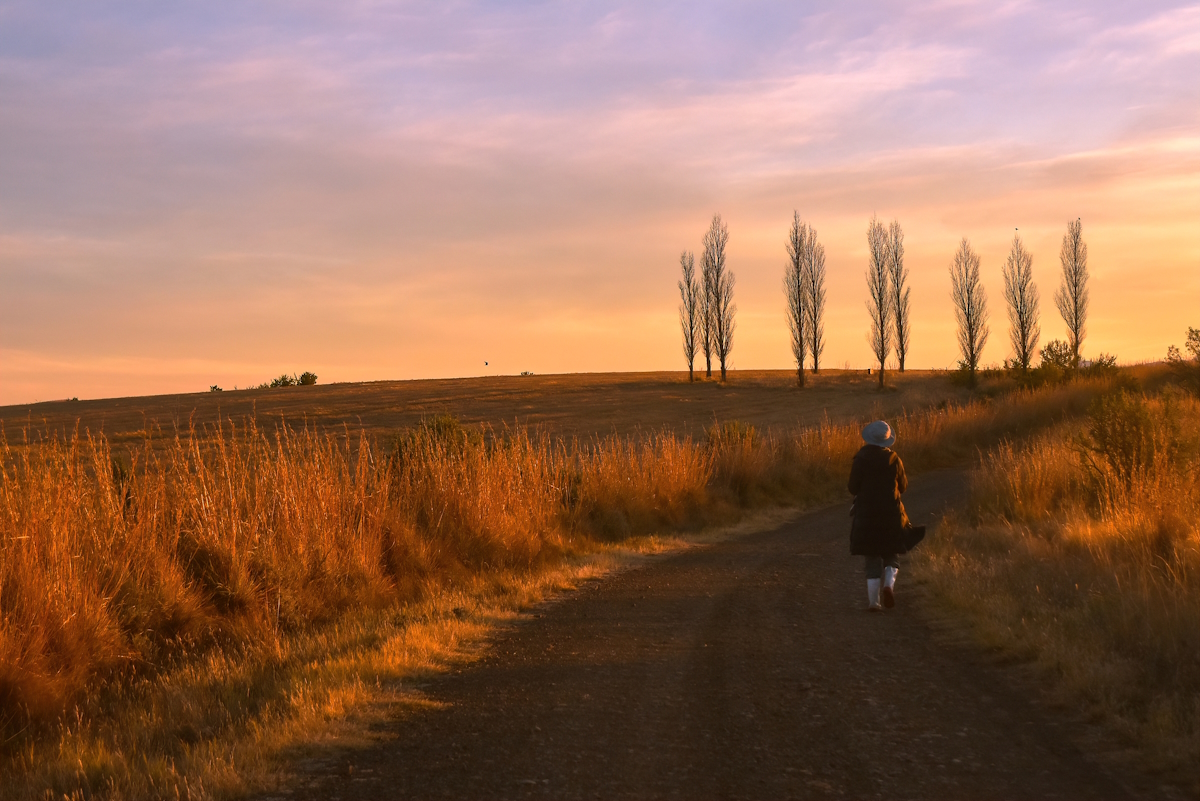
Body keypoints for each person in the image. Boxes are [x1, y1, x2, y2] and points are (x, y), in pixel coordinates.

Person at [848, 420, 909, 611]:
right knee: (891, 552)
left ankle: (874, 602)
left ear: (868, 438)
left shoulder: (860, 459)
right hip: (891, 513)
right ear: (887, 440)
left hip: (867, 513)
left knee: (872, 556)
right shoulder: (895, 459)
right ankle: (889, 585)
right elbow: (904, 486)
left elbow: (852, 488)